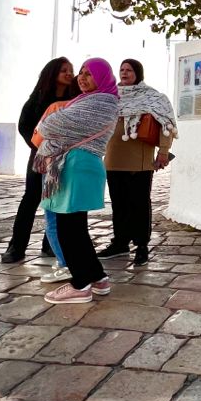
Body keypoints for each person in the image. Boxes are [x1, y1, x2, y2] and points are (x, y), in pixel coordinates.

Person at [35, 58, 119, 304]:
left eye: (89, 74)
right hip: (77, 165)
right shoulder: (92, 100)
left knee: (69, 230)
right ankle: (98, 278)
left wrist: (52, 120)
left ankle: (80, 285)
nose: (82, 77)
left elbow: (47, 126)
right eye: (81, 72)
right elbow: (52, 125)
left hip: (77, 165)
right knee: (75, 228)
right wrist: (54, 122)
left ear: (102, 78)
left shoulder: (100, 102)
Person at [1, 57, 80, 263]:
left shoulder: (75, 98)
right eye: (64, 70)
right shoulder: (38, 98)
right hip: (40, 156)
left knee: (57, 200)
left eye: (71, 70)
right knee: (31, 199)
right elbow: (24, 125)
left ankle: (51, 245)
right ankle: (16, 247)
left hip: (65, 158)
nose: (69, 73)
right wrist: (39, 145)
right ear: (52, 73)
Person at [99, 59, 177, 266]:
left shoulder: (153, 97)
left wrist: (163, 151)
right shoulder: (111, 96)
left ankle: (142, 246)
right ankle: (120, 243)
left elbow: (166, 124)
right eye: (122, 70)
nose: (124, 73)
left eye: (129, 70)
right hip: (113, 159)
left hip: (138, 161)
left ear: (138, 73)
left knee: (139, 204)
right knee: (119, 204)